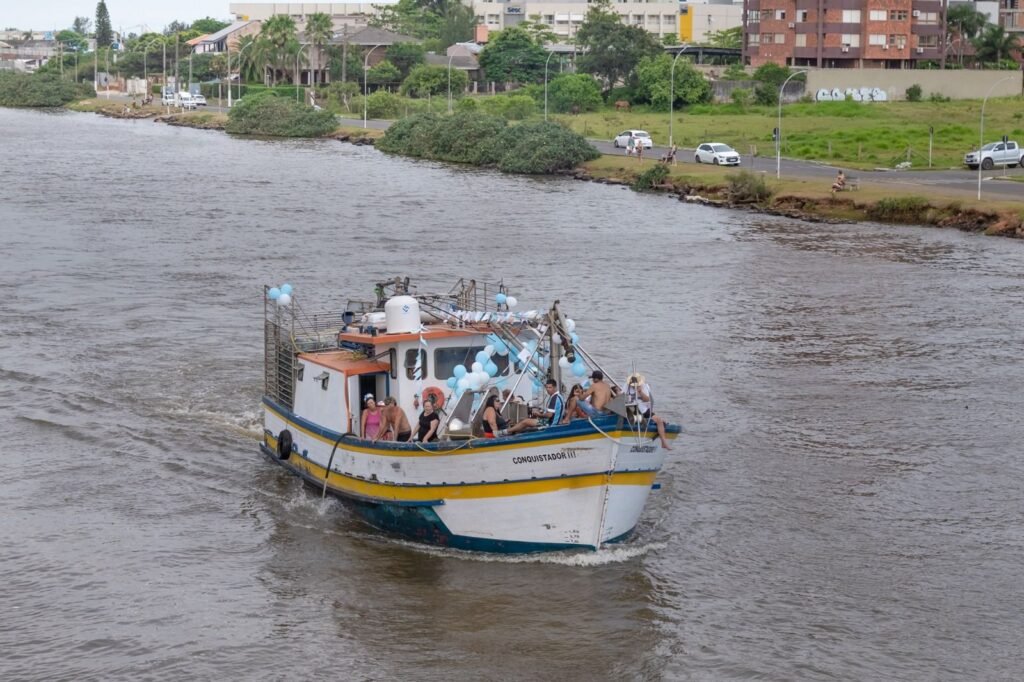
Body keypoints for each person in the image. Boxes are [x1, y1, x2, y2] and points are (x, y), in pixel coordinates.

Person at [627, 373, 671, 450]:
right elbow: (622, 396)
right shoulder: (627, 387)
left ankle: (663, 442)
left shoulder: (645, 387)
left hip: (644, 410)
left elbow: (647, 400)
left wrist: (640, 392)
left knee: (660, 421)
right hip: (633, 410)